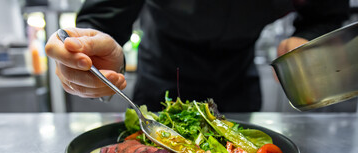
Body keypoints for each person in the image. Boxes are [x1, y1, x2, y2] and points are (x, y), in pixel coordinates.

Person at [45, 0, 349, 112]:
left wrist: (308, 39)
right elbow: (101, 19)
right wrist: (93, 50)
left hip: (237, 79)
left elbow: (328, 12)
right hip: (163, 74)